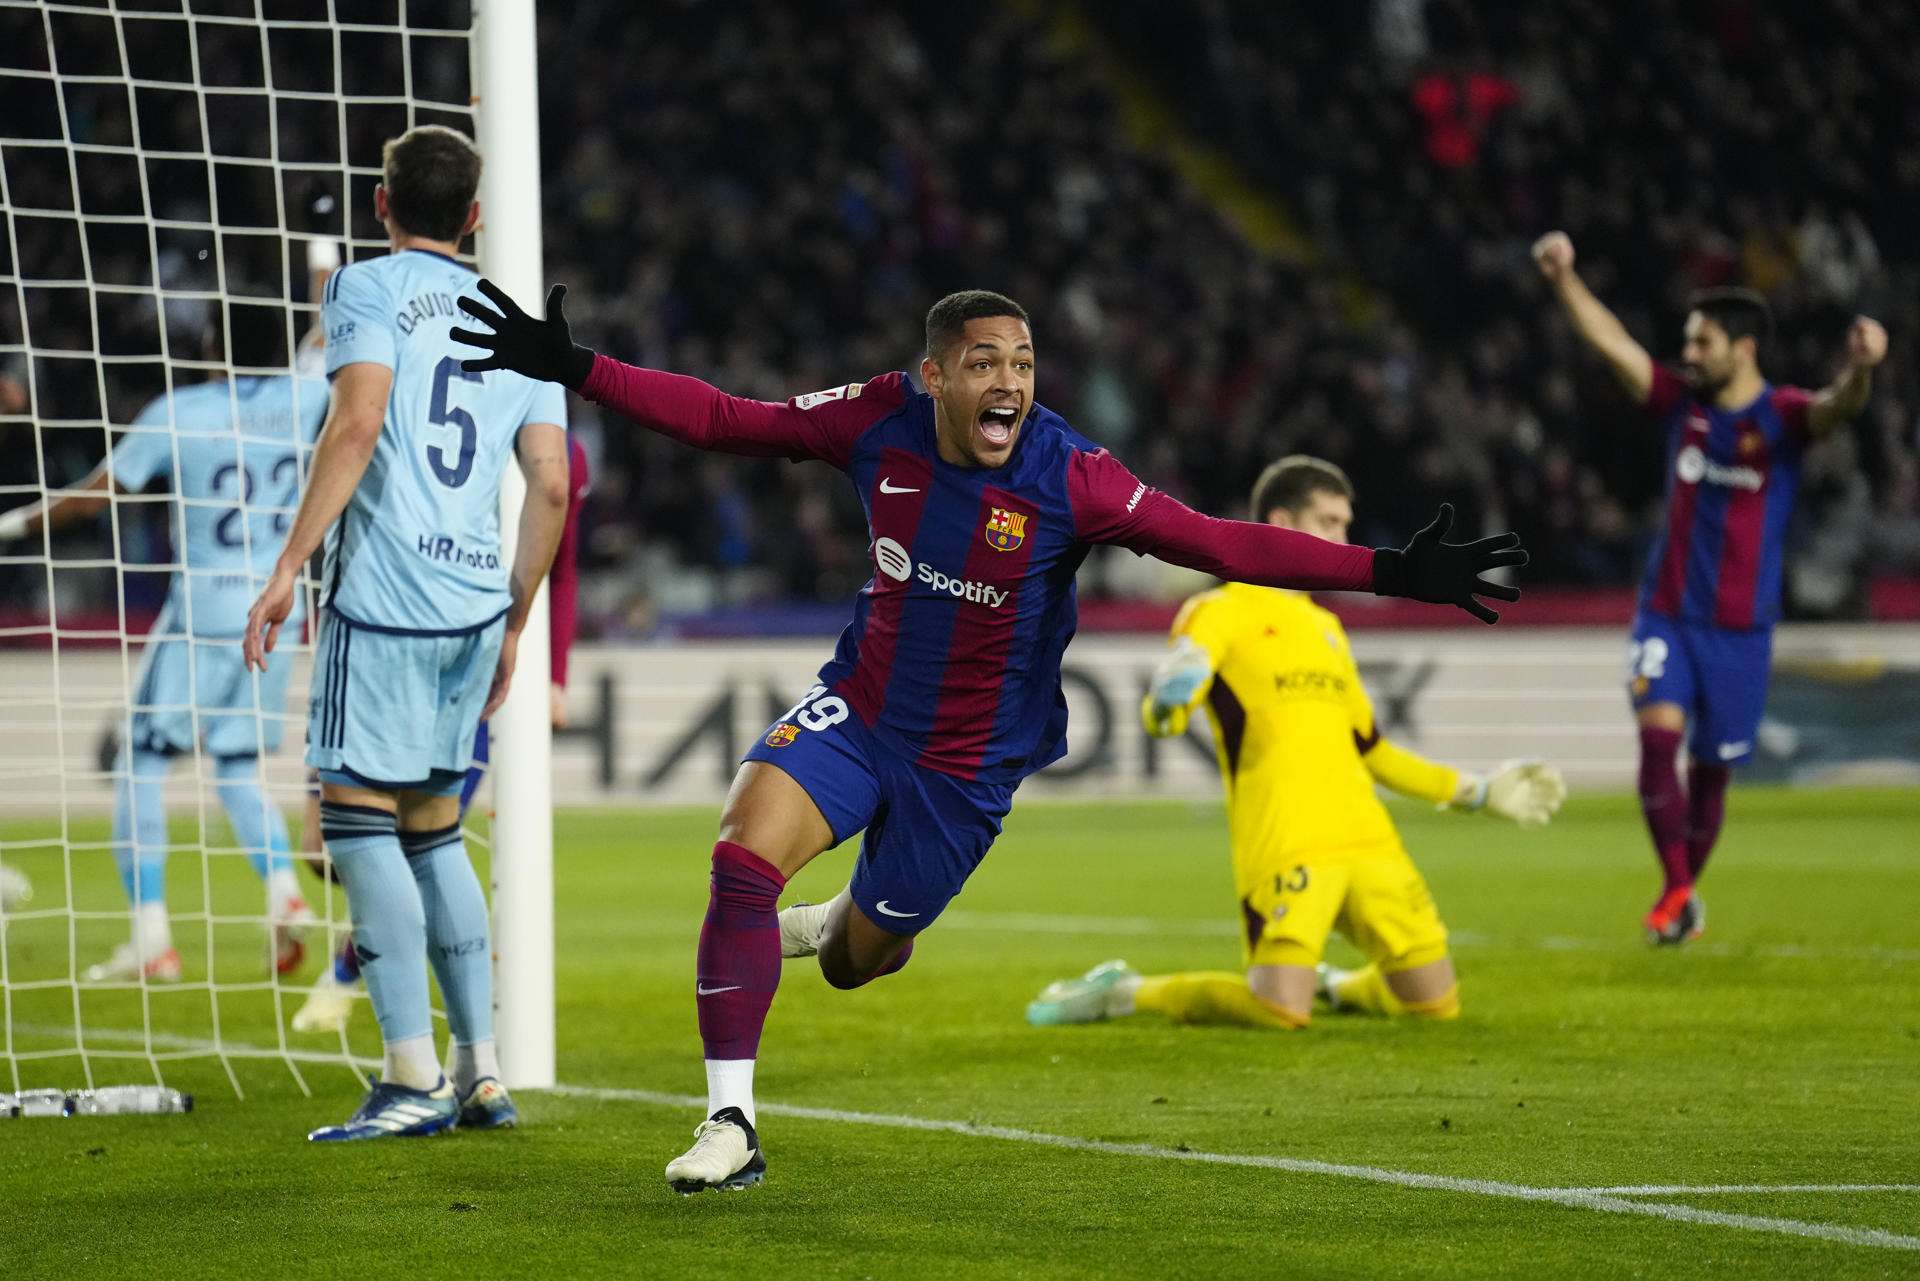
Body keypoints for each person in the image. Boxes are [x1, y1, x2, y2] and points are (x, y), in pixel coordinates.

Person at [452, 283, 1527, 1193]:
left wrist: (1389, 573)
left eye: (1022, 361)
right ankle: (731, 1125)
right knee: (739, 861)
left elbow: (1219, 539)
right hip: (861, 711)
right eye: (982, 362)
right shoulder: (878, 420)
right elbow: (731, 419)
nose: (1009, 381)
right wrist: (579, 368)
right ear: (933, 376)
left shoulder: (1071, 475)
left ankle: (844, 920)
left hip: (965, 769)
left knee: (854, 964)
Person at [243, 124, 571, 1140]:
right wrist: (517, 620)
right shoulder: (520, 321)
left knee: (354, 823)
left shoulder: (365, 291)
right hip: (478, 603)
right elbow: (554, 484)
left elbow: (360, 420)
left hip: (385, 598)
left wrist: (291, 562)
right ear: (474, 216)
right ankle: (481, 1072)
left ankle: (409, 1076)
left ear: (381, 206)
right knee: (434, 831)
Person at [1025, 456, 1565, 1032]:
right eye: (1328, 523)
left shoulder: (1327, 629)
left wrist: (1480, 792)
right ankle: (1125, 992)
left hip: (1369, 843)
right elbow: (1172, 705)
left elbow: (1373, 752)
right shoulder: (1218, 610)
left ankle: (1335, 985)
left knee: (1434, 1005)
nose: (1342, 540)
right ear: (1281, 521)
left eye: (1345, 525)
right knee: (1280, 1010)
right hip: (1287, 846)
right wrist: (1166, 702)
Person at [1532, 230, 1887, 943]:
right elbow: (1615, 346)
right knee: (1658, 745)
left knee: (1712, 772)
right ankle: (1676, 890)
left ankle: (1681, 894)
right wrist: (1565, 279)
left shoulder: (1781, 419)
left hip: (1741, 629)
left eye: (1702, 344)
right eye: (1688, 344)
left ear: (1743, 348)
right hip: (1667, 613)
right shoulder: (1678, 407)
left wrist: (1861, 369)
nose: (1688, 356)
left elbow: (1838, 406)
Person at [0, 309, 326, 981]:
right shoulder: (310, 394)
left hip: (203, 613)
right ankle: (283, 891)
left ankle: (152, 938)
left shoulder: (180, 410)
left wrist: (14, 524)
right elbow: (322, 341)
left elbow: (97, 496)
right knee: (235, 765)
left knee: (138, 762)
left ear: (210, 348)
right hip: (278, 610)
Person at [292, 432, 589, 1036]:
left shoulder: (558, 450)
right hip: (401, 637)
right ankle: (456, 1046)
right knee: (336, 853)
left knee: (418, 839)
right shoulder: (413, 416)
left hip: (477, 661)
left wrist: (554, 674)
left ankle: (352, 983)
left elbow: (563, 567)